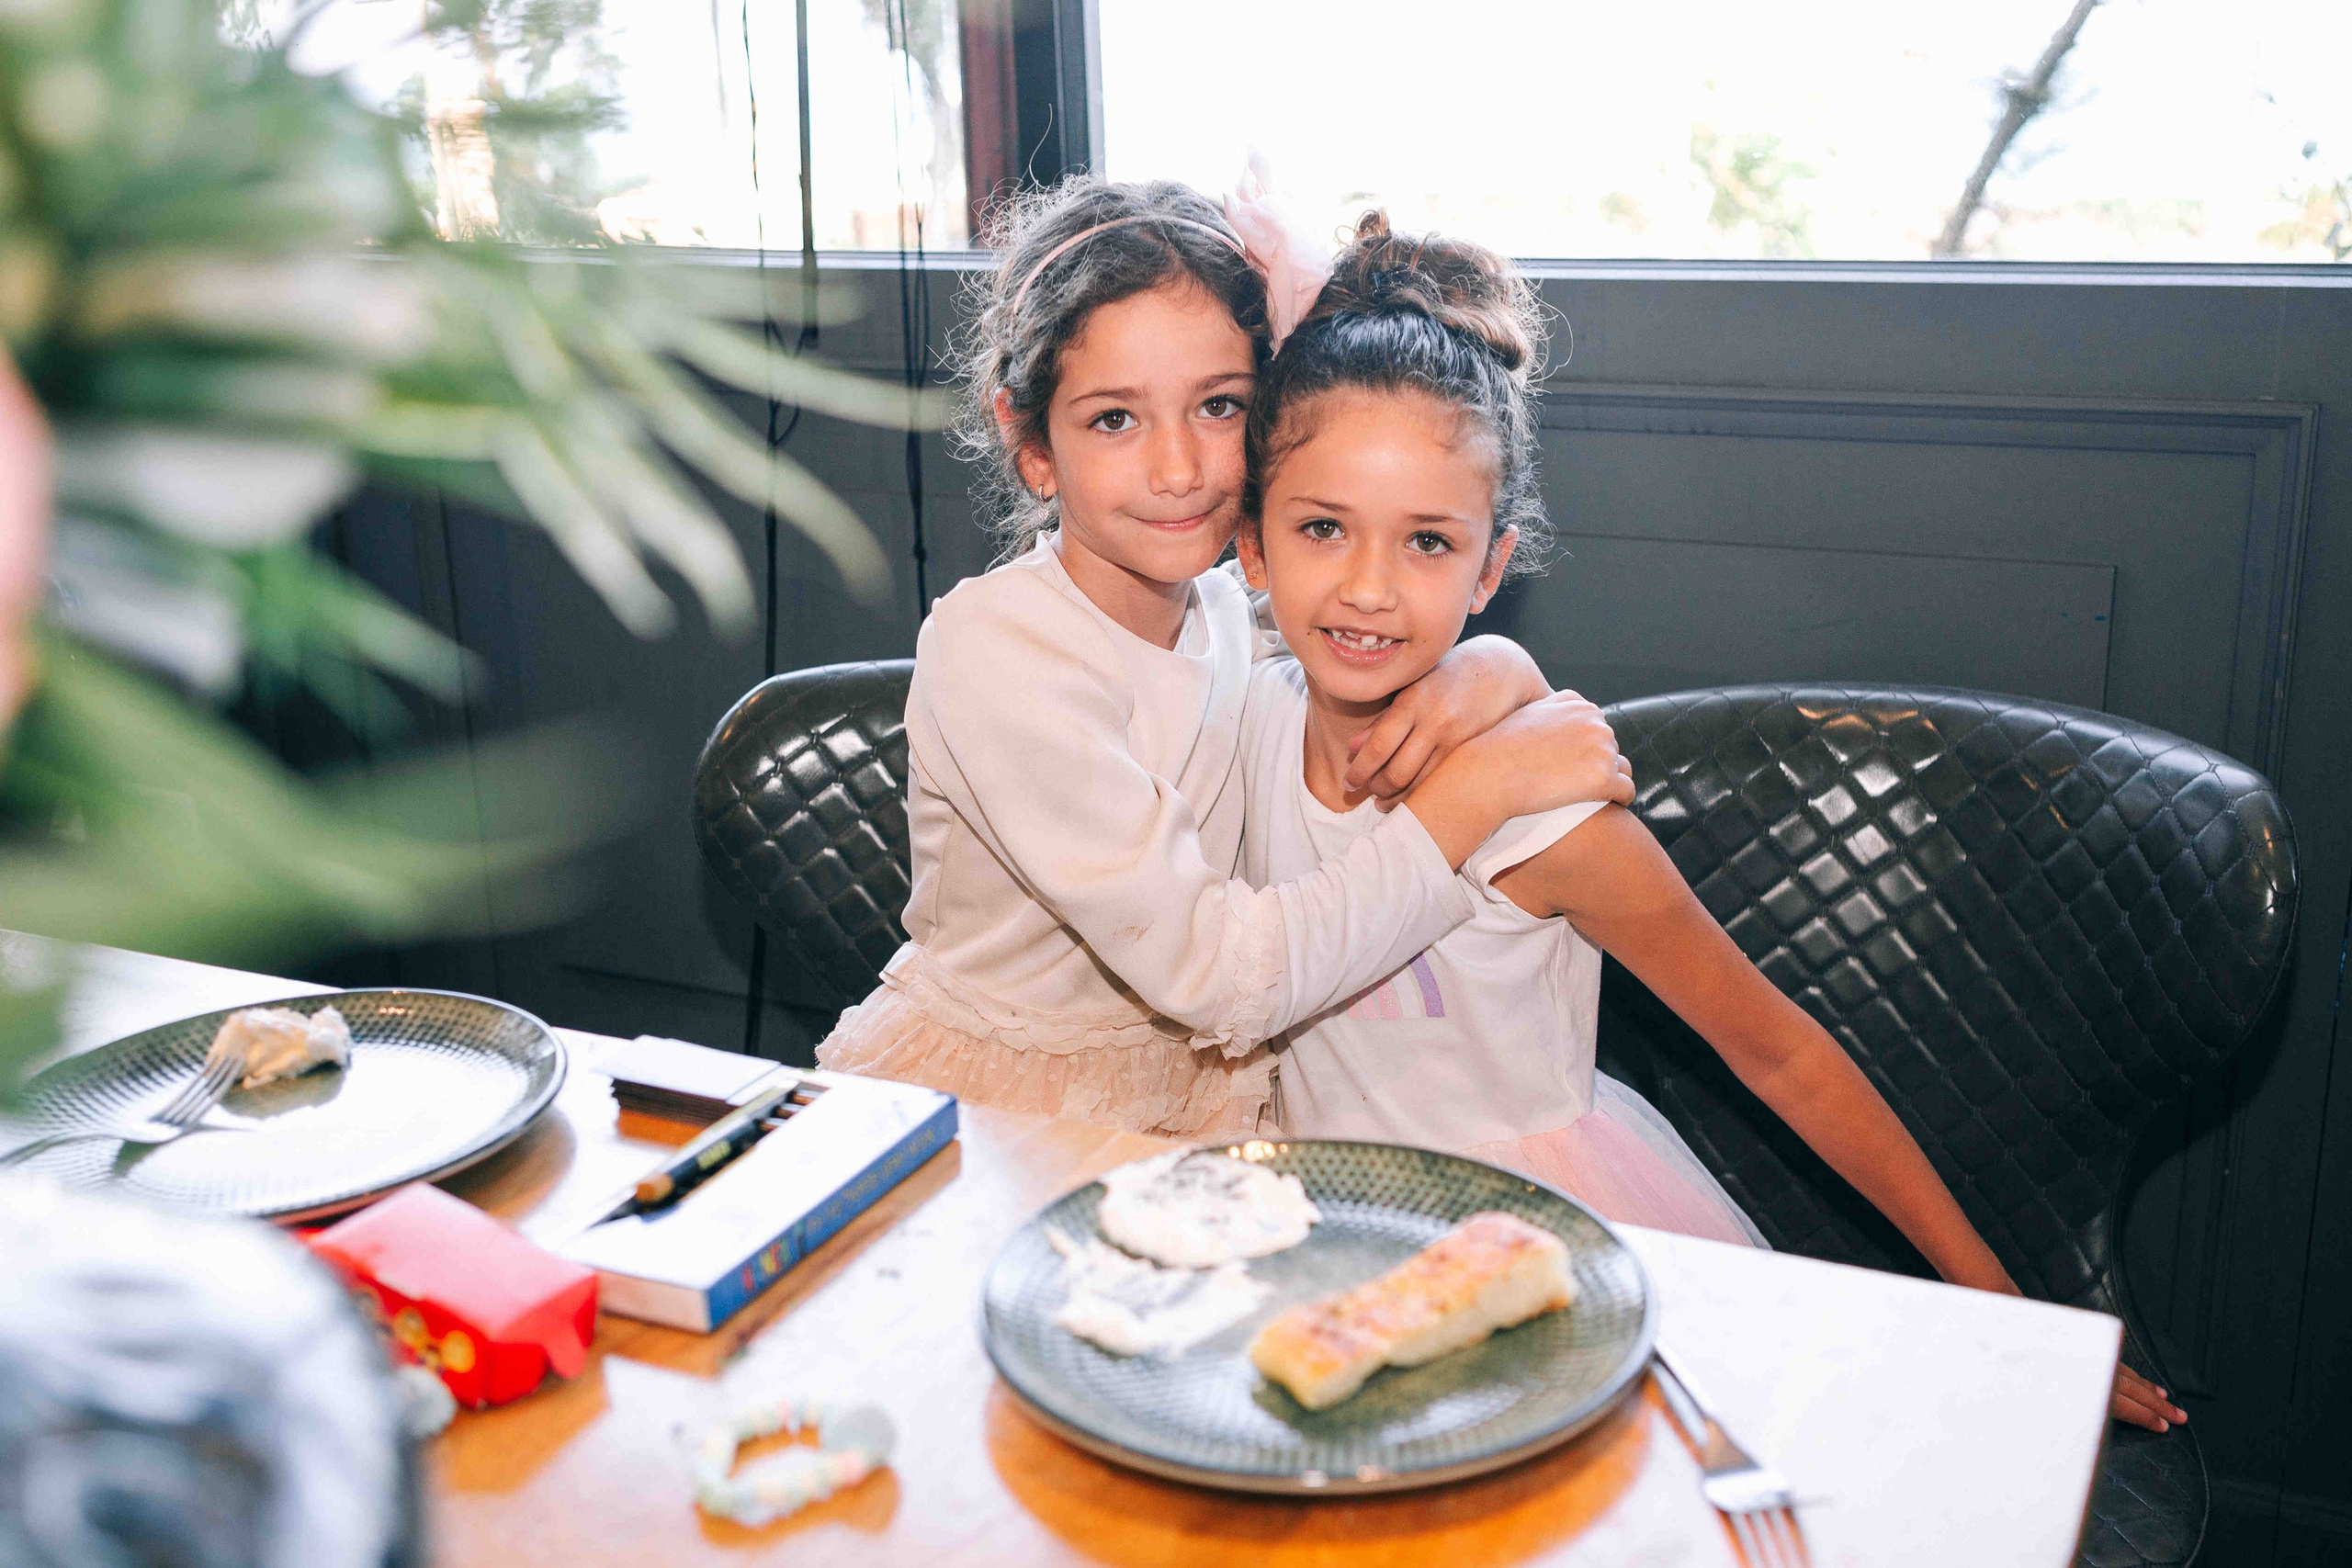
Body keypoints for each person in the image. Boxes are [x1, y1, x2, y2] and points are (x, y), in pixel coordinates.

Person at [1231, 211, 2187, 1433]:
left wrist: (2007, 1303)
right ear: (1251, 543)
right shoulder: (1231, 728)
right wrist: (1503, 668)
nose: (1368, 585)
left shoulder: (1549, 823)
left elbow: (1781, 1051)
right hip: (1314, 1244)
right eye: (1323, 527)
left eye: (1426, 541)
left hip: (1547, 1262)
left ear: (1489, 567)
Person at [814, 177, 1634, 1138]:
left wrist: (1494, 668)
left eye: (1219, 406)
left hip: (1212, 1097)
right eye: (1114, 419)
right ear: (1031, 444)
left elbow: (1369, 644)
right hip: (1009, 1113)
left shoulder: (1222, 606)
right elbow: (1221, 973)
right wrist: (1471, 800)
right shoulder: (999, 648)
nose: (1178, 469)